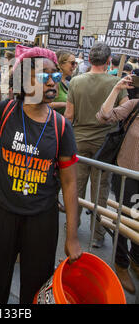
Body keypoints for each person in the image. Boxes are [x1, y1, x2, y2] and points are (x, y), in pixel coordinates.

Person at [0, 45, 82, 304]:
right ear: (22, 80)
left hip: (41, 221)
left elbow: (70, 182)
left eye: (55, 75)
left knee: (35, 290)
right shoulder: (6, 110)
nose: (52, 81)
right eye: (43, 75)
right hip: (1, 213)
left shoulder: (62, 127)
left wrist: (72, 235)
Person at [65, 43, 128, 248]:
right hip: (105, 144)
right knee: (100, 189)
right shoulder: (117, 83)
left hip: (79, 140)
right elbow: (125, 112)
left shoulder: (75, 81)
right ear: (109, 61)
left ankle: (72, 225)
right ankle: (97, 234)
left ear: (89, 60)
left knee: (77, 185)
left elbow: (69, 115)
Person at [96, 74, 139, 294]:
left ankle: (136, 260)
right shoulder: (134, 106)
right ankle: (121, 264)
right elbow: (103, 116)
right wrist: (116, 88)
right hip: (128, 177)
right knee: (125, 220)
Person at [50, 51, 77, 115]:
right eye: (72, 63)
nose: (75, 66)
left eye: (76, 63)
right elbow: (44, 104)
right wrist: (65, 104)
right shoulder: (55, 82)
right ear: (61, 64)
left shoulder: (66, 82)